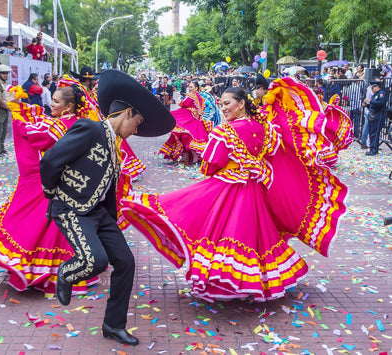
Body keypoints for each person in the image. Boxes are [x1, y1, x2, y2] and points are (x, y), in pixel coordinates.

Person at [121, 80, 350, 302]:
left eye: (227, 103)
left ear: (241, 103)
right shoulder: (265, 128)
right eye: (221, 103)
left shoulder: (226, 131)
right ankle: (253, 284)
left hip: (228, 190)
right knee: (254, 238)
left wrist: (222, 167)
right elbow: (273, 155)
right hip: (256, 192)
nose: (223, 107)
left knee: (212, 228)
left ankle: (231, 284)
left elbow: (211, 164)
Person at [40, 69, 175, 346]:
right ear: (126, 113)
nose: (137, 130)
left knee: (126, 262)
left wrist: (111, 216)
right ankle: (66, 273)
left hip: (99, 214)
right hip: (72, 209)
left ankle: (114, 325)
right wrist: (53, 194)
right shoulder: (89, 128)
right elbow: (50, 161)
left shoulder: (116, 145)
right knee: (95, 261)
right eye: (137, 123)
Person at [0, 84, 103, 293]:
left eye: (56, 101)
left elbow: (36, 136)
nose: (50, 104)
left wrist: (18, 111)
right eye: (52, 99)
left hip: (52, 184)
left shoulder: (62, 127)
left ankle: (44, 272)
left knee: (41, 227)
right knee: (61, 231)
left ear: (69, 107)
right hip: (71, 186)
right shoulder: (80, 124)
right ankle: (65, 271)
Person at [159, 80, 210, 163]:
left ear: (196, 88)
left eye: (191, 87)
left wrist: (182, 100)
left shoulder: (191, 96)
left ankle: (190, 156)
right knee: (190, 137)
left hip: (189, 119)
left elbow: (184, 104)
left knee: (185, 136)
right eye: (189, 87)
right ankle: (189, 156)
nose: (189, 89)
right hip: (197, 121)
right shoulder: (201, 98)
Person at [364, 81, 387, 156]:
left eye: (373, 88)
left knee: (375, 133)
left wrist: (370, 101)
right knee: (372, 133)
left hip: (378, 115)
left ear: (377, 87)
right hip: (373, 115)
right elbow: (373, 105)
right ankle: (372, 148)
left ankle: (374, 149)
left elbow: (381, 104)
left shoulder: (381, 94)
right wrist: (367, 105)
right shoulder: (375, 95)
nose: (372, 90)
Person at [0, 64, 14, 155]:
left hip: (6, 110)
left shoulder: (6, 84)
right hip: (1, 110)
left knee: (3, 131)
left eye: (7, 73)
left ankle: (1, 147)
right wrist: (6, 107)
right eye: (3, 73)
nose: (6, 75)